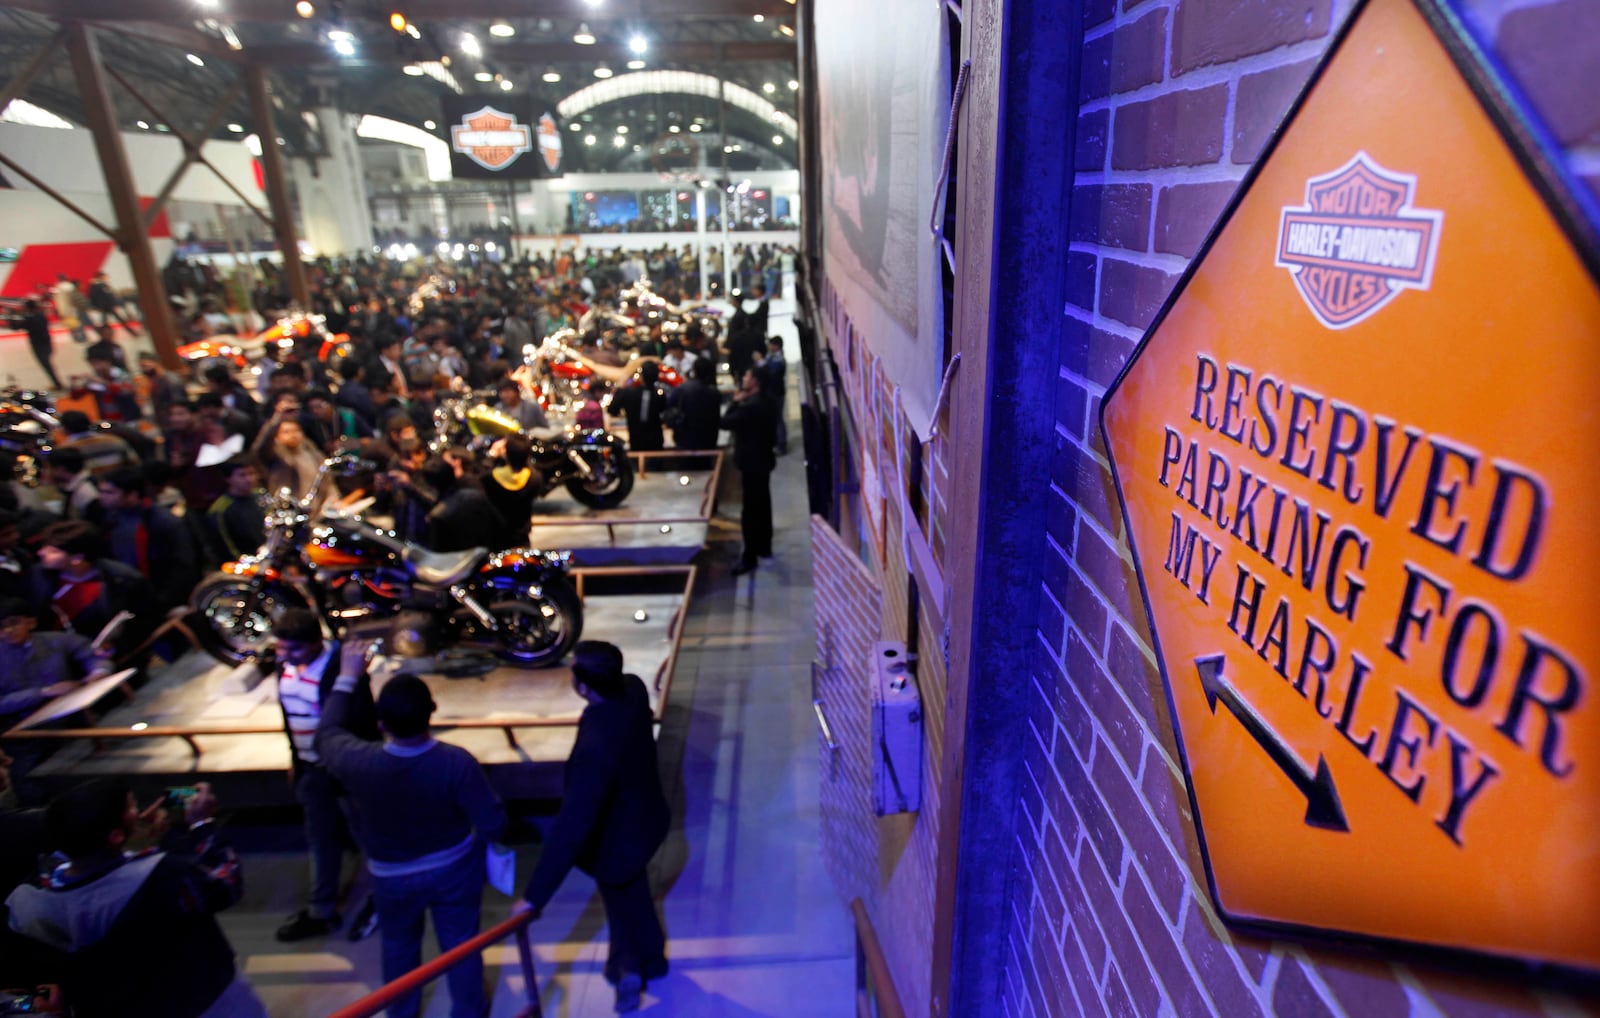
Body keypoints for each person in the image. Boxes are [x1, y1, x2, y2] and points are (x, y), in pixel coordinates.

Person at [316, 655, 508, 1018]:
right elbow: (493, 822)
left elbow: (326, 735)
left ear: (381, 723)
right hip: (453, 869)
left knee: (399, 946)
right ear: (431, 712)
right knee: (461, 947)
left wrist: (346, 677)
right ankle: (469, 1011)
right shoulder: (456, 762)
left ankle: (402, 1013)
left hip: (391, 877)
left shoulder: (360, 761)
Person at [5, 779, 268, 1018]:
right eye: (131, 808)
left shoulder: (29, 897)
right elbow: (225, 883)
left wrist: (134, 848)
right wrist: (202, 824)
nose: (140, 813)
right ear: (116, 835)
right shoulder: (161, 876)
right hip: (204, 1002)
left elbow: (98, 874)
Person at [517, 641, 670, 1013]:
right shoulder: (631, 690)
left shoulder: (596, 749)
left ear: (584, 687)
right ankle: (645, 961)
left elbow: (571, 827)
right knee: (630, 896)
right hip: (645, 818)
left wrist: (534, 897)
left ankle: (632, 967)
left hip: (616, 843)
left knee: (624, 899)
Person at [268, 610, 379, 943]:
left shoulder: (344, 671)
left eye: (295, 650)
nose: (286, 657)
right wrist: (297, 761)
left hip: (346, 772)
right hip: (311, 771)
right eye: (281, 649)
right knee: (320, 840)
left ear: (317, 642)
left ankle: (380, 901)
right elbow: (290, 719)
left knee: (368, 838)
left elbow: (362, 725)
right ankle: (321, 911)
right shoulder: (283, 666)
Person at [33, 519, 157, 657]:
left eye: (52, 551)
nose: (41, 553)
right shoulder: (40, 576)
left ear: (77, 558)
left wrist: (115, 646)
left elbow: (145, 620)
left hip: (114, 655)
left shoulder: (122, 579)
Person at [96, 467, 197, 610]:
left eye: (109, 492)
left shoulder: (163, 521)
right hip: (129, 596)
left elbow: (183, 565)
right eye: (101, 491)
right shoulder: (110, 517)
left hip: (160, 597)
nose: (101, 497)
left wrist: (164, 600)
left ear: (132, 494)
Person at [720, 368, 778, 575]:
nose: (743, 378)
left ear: (755, 382)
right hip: (764, 461)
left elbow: (725, 422)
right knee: (763, 505)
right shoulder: (768, 402)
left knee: (751, 511)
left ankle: (749, 556)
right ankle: (764, 546)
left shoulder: (750, 407)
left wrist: (735, 401)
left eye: (746, 375)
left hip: (751, 463)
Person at [419, 455, 505, 553]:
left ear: (431, 485)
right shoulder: (474, 493)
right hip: (488, 552)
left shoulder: (438, 515)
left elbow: (439, 555)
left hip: (462, 561)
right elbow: (499, 523)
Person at [481, 434, 540, 550]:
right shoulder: (535, 479)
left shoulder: (490, 478)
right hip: (522, 540)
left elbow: (478, 474)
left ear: (506, 453)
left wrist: (491, 456)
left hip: (496, 540)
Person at [205, 456, 267, 564]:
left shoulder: (261, 496)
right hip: (247, 566)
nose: (249, 479)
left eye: (251, 473)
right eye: (242, 475)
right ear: (228, 479)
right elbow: (225, 549)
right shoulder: (220, 510)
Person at [665, 356, 722, 452]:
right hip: (708, 441)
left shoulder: (682, 389)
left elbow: (668, 405)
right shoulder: (715, 392)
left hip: (685, 440)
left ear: (694, 371)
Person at [607, 362, 667, 453]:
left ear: (641, 376)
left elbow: (612, 410)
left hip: (636, 440)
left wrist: (620, 386)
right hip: (656, 441)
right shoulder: (660, 395)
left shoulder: (627, 393)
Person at [9, 300, 60, 389]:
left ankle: (57, 384)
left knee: (46, 365)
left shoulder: (30, 319)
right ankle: (57, 383)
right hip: (47, 342)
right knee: (48, 364)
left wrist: (11, 315)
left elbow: (15, 327)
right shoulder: (41, 315)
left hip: (38, 345)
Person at [757, 337, 788, 455]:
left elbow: (771, 373)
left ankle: (781, 445)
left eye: (771, 345)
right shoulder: (771, 356)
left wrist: (761, 362)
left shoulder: (779, 359)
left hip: (776, 393)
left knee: (778, 419)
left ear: (777, 346)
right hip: (771, 392)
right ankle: (775, 442)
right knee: (774, 419)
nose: (769, 347)